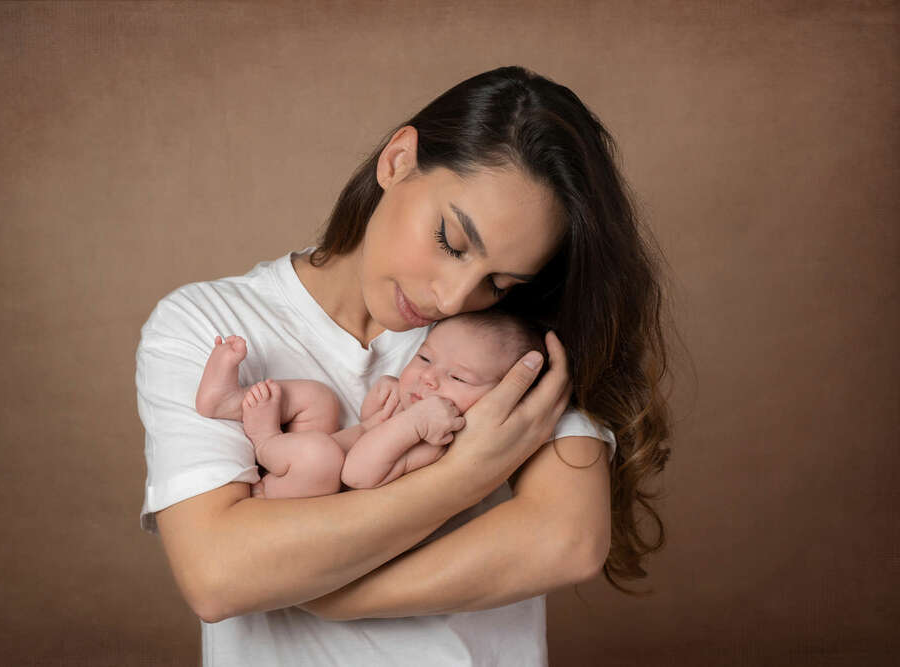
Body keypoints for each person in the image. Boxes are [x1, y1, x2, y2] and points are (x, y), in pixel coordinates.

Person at [137, 65, 671, 666]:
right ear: (397, 160)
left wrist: (331, 593)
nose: (451, 300)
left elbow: (565, 540)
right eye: (450, 240)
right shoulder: (206, 322)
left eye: (498, 280)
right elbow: (219, 574)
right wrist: (464, 475)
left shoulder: (512, 340)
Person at [194, 312, 550, 498]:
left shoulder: (440, 447)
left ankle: (266, 439)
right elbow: (367, 430)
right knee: (319, 399)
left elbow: (358, 473)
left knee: (320, 456)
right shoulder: (422, 411)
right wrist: (381, 405)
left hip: (309, 493)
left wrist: (410, 424)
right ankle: (228, 401)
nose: (429, 378)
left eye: (458, 379)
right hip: (319, 458)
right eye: (425, 358)